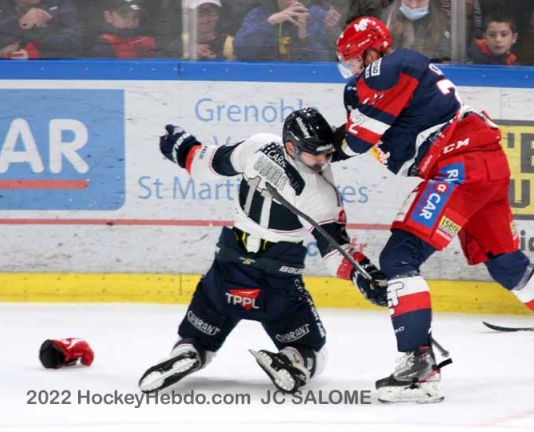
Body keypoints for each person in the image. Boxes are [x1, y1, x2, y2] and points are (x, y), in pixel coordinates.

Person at [333, 16, 534, 403]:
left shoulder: (385, 69)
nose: (351, 71)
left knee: (400, 256)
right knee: (507, 263)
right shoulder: (401, 75)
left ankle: (420, 367)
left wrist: (306, 151)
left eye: (352, 60)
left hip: (461, 167)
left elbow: (354, 142)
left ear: (371, 52)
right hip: (486, 164)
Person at [139, 108, 388, 394]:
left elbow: (203, 164)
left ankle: (186, 354)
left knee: (198, 335)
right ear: (292, 147)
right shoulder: (320, 195)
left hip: (228, 268)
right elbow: (336, 254)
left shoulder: (258, 146)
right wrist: (366, 277)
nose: (321, 161)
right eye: (314, 154)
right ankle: (292, 359)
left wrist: (182, 147)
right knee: (312, 350)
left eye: (326, 154)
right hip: (276, 280)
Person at [382, 0, 451, 61]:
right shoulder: (387, 18)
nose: (413, 5)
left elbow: (446, 54)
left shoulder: (441, 23)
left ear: (430, 1)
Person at [91, 0, 157, 59]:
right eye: (124, 16)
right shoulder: (103, 44)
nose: (131, 23)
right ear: (108, 16)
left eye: (135, 17)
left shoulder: (148, 41)